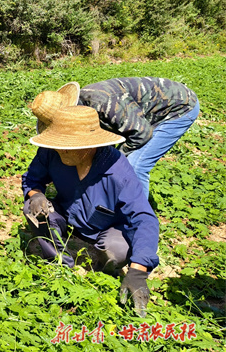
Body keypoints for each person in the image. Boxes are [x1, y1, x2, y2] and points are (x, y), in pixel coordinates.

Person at [22, 103, 160, 318]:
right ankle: (59, 264)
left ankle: (103, 273)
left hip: (107, 227)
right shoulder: (51, 152)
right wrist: (36, 195)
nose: (62, 150)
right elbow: (32, 179)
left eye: (69, 146)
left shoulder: (117, 170)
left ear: (90, 145)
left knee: (118, 250)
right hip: (67, 214)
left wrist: (138, 271)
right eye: (59, 144)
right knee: (33, 210)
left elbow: (143, 218)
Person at [78, 77, 199, 198]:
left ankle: (138, 209)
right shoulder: (81, 108)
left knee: (135, 165)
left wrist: (118, 157)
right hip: (140, 114)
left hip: (179, 107)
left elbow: (142, 134)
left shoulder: (106, 104)